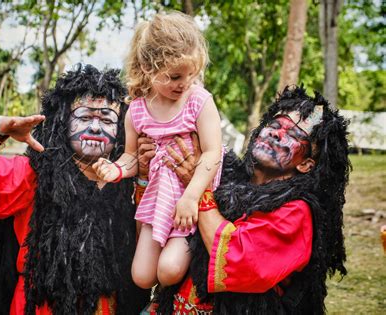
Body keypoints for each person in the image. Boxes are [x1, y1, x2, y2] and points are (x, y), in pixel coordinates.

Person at [0, 64, 150, 314]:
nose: (95, 127)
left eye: (106, 119)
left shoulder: (129, 184)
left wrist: (144, 177)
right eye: (84, 117)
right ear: (62, 121)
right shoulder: (34, 175)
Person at [139, 86, 350, 314]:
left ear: (306, 164)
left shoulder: (298, 212)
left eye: (293, 135)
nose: (276, 134)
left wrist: (199, 187)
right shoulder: (224, 173)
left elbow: (239, 259)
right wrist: (147, 172)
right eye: (274, 125)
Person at [93, 11, 223, 290]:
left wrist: (190, 198)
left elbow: (213, 152)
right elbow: (131, 157)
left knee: (168, 270)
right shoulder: (137, 111)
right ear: (147, 68)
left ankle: (193, 241)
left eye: (192, 73)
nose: (185, 82)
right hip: (157, 201)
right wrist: (115, 169)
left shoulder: (198, 101)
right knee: (141, 277)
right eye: (175, 76)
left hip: (190, 199)